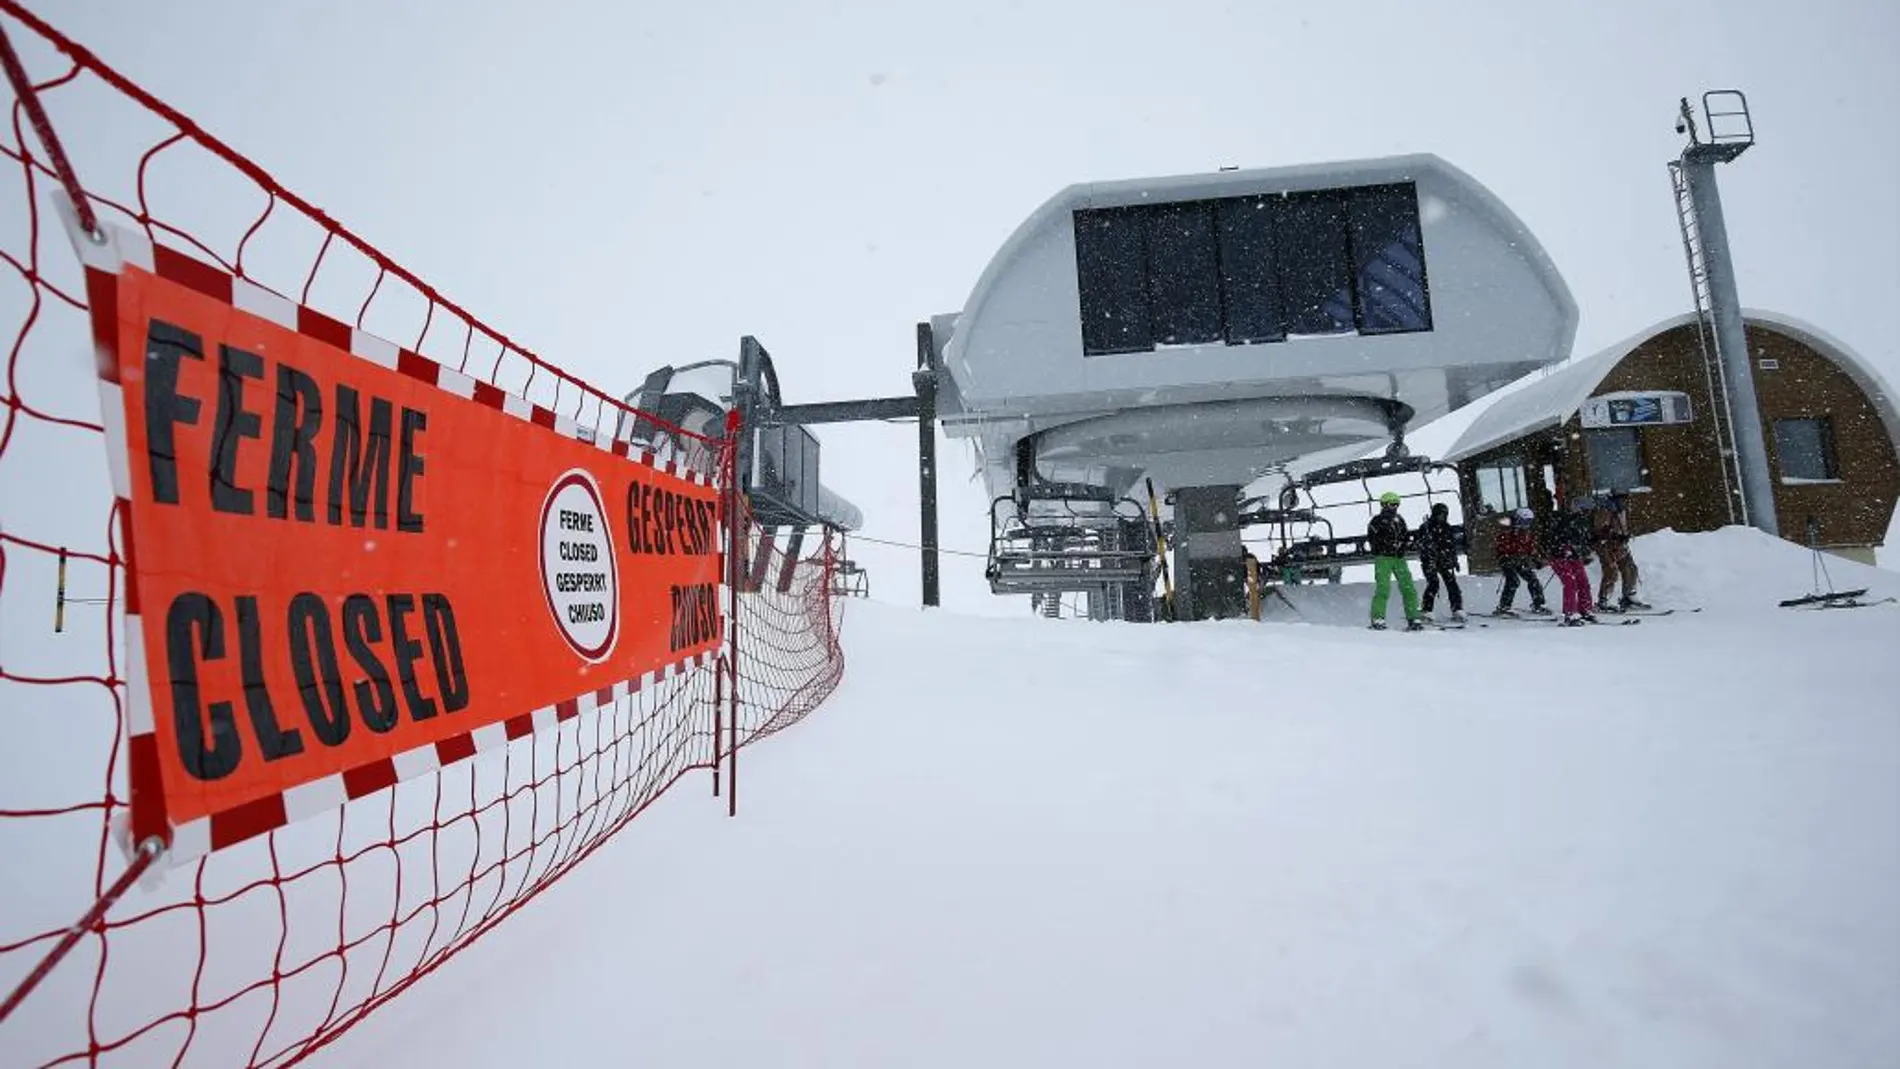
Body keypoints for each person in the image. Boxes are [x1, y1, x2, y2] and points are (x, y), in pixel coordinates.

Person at [1366, 491, 1422, 631]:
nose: (1394, 507)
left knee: (1408, 588)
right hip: (1383, 558)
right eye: (1392, 504)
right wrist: (1387, 545)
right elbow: (1373, 540)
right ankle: (1378, 618)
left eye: (1396, 504)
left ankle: (1413, 617)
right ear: (1384, 505)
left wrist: (1405, 545)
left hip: (1398, 558)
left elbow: (1405, 536)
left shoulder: (1399, 520)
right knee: (1383, 588)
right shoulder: (1377, 521)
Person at [1592, 493, 1650, 612]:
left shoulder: (1620, 510)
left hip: (1618, 544)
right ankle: (1603, 600)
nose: (1625, 502)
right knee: (1611, 571)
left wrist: (1624, 535)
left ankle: (1629, 597)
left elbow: (1620, 526)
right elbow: (1600, 529)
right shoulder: (1605, 509)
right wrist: (1613, 535)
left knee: (1630, 567)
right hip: (1606, 545)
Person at [1548, 495, 1599, 626]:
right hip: (1559, 557)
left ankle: (1585, 610)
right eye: (1586, 510)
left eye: (1589, 510)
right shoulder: (1565, 520)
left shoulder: (1584, 521)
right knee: (1570, 583)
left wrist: (1588, 548)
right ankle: (1570, 613)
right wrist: (1563, 548)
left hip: (1574, 556)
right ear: (1579, 509)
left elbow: (1584, 539)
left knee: (1583, 582)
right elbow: (1554, 538)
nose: (1588, 513)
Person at [1493, 506, 1550, 615]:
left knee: (1533, 580)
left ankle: (1539, 604)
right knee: (1513, 580)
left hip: (1521, 560)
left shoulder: (1526, 532)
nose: (1526, 524)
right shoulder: (1507, 529)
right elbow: (1501, 545)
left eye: (1528, 522)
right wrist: (1508, 555)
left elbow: (1530, 546)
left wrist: (1535, 558)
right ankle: (1504, 606)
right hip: (1507, 559)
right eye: (1524, 521)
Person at [1415, 501, 1465, 622]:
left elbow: (1451, 546)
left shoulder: (1447, 527)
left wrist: (1454, 560)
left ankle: (1457, 609)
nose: (1442, 517)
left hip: (1444, 560)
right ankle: (1427, 610)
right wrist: (1427, 551)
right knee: (1433, 584)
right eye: (1440, 514)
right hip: (1430, 560)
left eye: (1444, 514)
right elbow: (1420, 544)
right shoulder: (1426, 527)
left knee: (1452, 584)